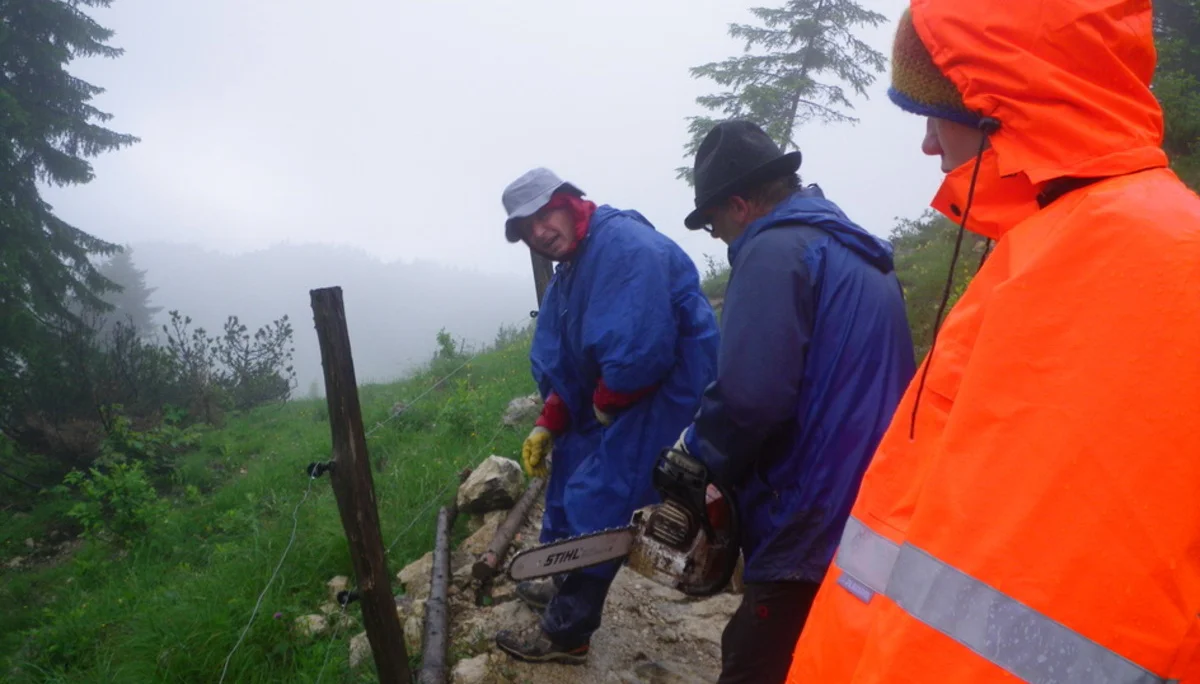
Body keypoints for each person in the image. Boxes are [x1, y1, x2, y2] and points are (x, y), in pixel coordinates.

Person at [785, 1, 1200, 682]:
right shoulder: (1052, 245)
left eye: (932, 106)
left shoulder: (1138, 259)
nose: (926, 143)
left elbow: (1050, 600)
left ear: (995, 102)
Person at [670, 119, 916, 683]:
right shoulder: (855, 250)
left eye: (712, 222)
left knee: (757, 660)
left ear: (738, 205)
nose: (714, 236)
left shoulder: (774, 252)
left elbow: (751, 397)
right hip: (870, 497)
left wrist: (697, 452)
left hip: (808, 508)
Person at [494, 167, 720, 664]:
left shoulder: (622, 248)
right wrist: (549, 421)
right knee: (568, 480)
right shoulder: (571, 269)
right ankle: (563, 583)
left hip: (659, 397)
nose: (539, 234)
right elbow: (564, 359)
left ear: (569, 201)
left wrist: (607, 399)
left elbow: (638, 352)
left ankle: (567, 634)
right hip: (614, 397)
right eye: (526, 231)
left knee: (600, 504)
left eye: (542, 217)